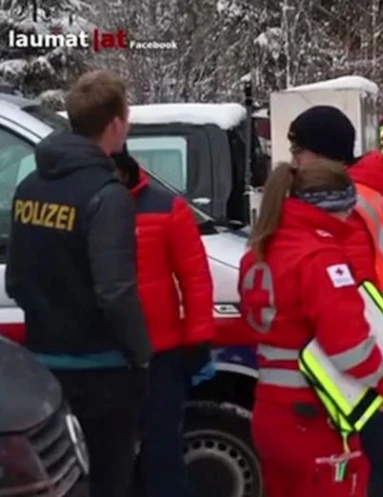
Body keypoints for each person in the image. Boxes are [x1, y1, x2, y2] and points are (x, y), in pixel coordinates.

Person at [4, 70, 152, 497]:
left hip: (44, 368)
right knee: (109, 480)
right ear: (117, 123)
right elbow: (115, 292)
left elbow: (16, 278)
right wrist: (141, 355)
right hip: (103, 372)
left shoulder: (29, 186)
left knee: (62, 483)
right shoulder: (108, 196)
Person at [289, 105, 383, 497]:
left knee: (382, 470)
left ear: (320, 154)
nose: (293, 162)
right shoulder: (382, 191)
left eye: (298, 151)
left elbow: (354, 297)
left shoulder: (349, 207)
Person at [242, 154, 383, 497]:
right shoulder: (320, 256)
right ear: (330, 205)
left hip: (270, 410)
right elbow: (348, 343)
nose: (351, 215)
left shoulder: (260, 250)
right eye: (348, 206)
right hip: (313, 414)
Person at [111, 146, 215, 497]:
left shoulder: (165, 207)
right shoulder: (87, 202)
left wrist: (198, 337)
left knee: (163, 452)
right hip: (106, 353)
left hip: (160, 354)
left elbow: (195, 276)